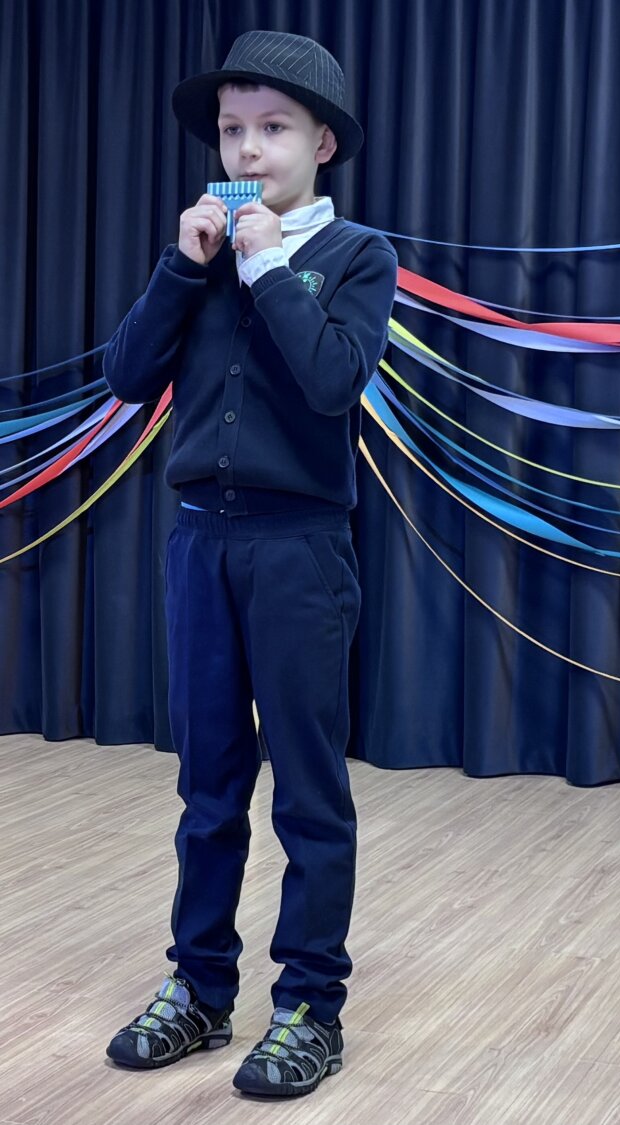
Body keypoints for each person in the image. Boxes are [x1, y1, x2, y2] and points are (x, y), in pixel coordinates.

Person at [100, 29, 397, 1098]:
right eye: (233, 130)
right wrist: (185, 267)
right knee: (208, 785)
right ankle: (200, 987)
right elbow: (128, 374)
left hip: (299, 549)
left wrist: (268, 263)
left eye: (274, 128)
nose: (249, 149)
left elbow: (330, 380)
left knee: (309, 788)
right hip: (200, 543)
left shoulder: (355, 256)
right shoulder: (201, 252)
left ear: (323, 143)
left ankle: (311, 1003)